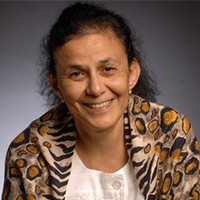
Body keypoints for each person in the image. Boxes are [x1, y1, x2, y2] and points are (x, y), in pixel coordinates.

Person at [2, 2, 200, 200]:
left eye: (108, 69)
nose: (96, 89)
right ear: (56, 85)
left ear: (131, 74)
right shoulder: (27, 154)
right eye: (76, 74)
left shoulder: (171, 134)